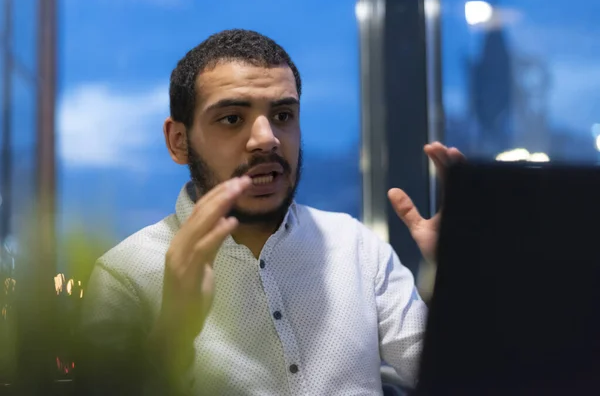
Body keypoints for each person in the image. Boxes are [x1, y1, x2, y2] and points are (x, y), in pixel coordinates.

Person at [78, 29, 463, 395]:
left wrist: (471, 277)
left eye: (282, 116)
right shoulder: (125, 274)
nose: (266, 139)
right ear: (179, 141)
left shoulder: (357, 246)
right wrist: (172, 333)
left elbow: (461, 380)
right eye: (232, 118)